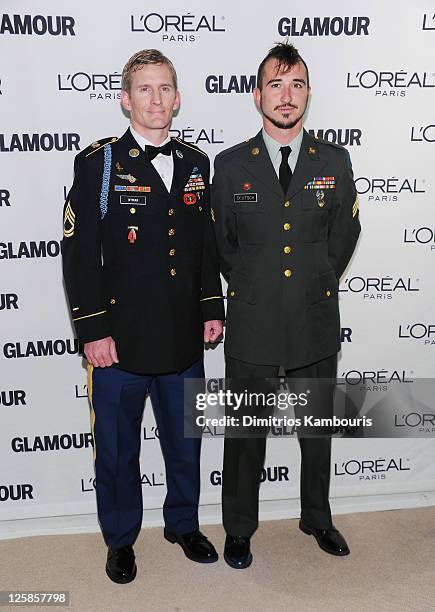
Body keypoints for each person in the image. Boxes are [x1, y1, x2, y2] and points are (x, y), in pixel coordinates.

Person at [62, 49, 224, 583]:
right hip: (120, 344)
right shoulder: (99, 163)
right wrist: (92, 330)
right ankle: (121, 538)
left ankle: (183, 523)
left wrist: (209, 309)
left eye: (165, 88)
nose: (156, 99)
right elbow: (80, 254)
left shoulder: (199, 164)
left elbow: (203, 248)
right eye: (145, 89)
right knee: (116, 450)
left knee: (185, 442)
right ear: (126, 99)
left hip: (182, 338)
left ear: (178, 98)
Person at [212, 42, 361, 569]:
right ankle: (238, 528)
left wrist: (314, 282)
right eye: (275, 84)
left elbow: (344, 234)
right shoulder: (230, 166)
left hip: (314, 317)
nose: (286, 95)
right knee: (245, 431)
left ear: (308, 95)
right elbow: (223, 244)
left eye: (296, 83)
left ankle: (317, 518)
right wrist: (257, 285)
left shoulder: (334, 160)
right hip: (253, 318)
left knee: (316, 428)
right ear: (258, 95)